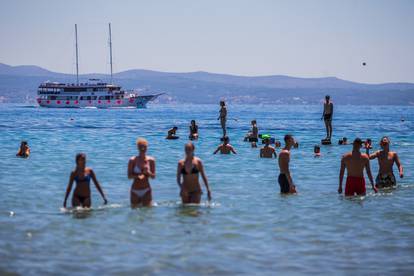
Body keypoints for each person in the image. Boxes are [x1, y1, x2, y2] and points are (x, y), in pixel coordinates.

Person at [127, 138, 156, 207]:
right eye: (141, 146)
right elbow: (129, 176)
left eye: (144, 146)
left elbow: (153, 177)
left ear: (147, 147)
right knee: (134, 213)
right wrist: (137, 176)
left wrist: (148, 172)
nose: (143, 148)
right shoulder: (132, 160)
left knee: (147, 212)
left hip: (146, 190)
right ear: (138, 148)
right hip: (135, 190)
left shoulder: (151, 160)